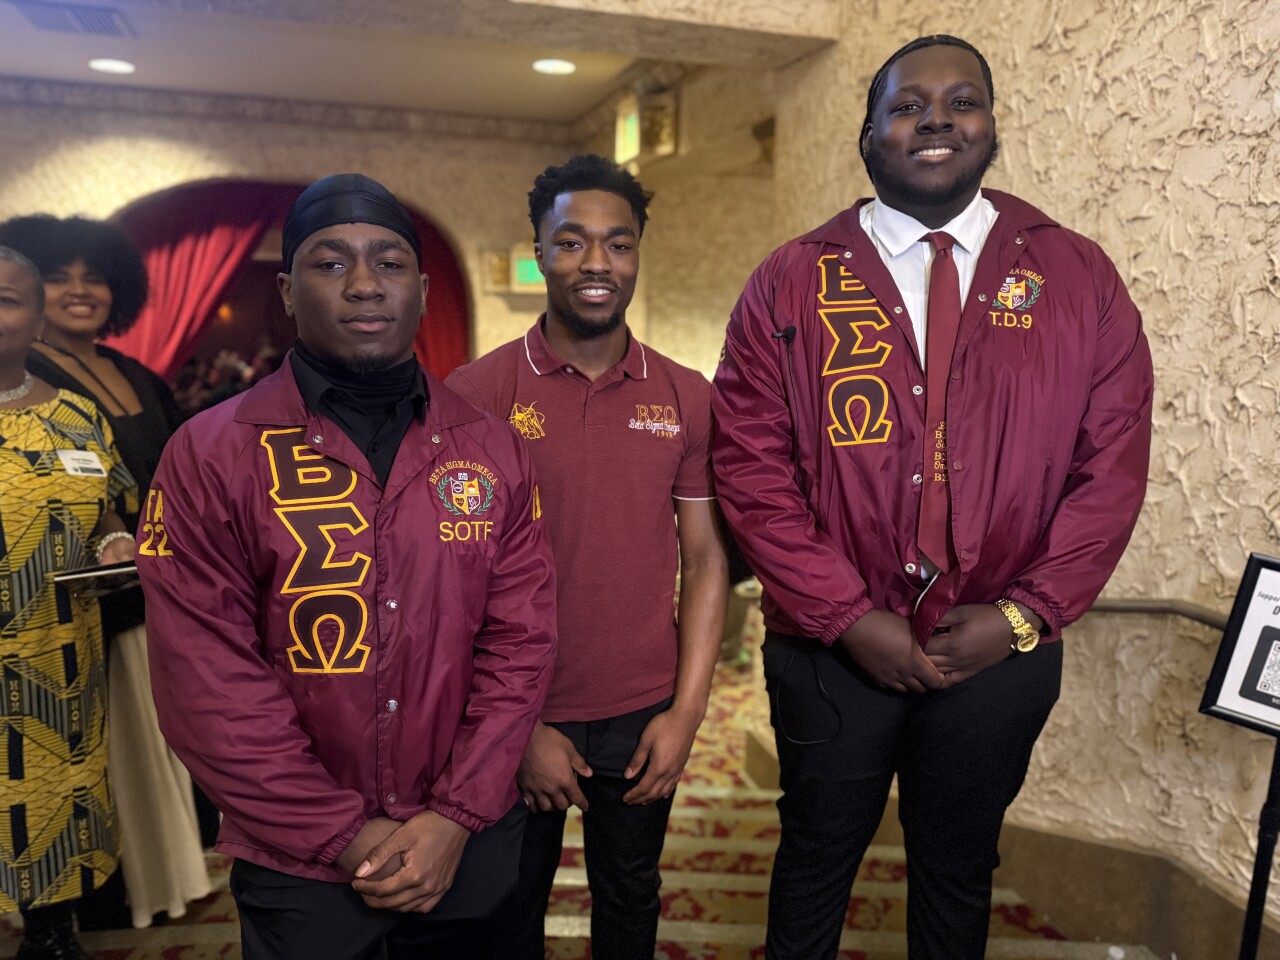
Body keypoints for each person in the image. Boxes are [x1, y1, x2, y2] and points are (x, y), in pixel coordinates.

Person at [711, 36, 1154, 960]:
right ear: (868, 135)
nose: (938, 119)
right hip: (831, 648)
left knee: (958, 869)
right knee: (814, 858)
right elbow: (751, 467)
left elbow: (1109, 466)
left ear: (991, 129)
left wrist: (1026, 615)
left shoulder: (1077, 277)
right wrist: (842, 615)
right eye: (909, 105)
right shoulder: (792, 279)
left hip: (998, 650)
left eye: (963, 101)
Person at [136, 173, 557, 960]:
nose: (365, 285)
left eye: (389, 263)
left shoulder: (492, 448)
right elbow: (208, 682)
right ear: (289, 291)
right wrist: (343, 832)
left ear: (424, 290)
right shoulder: (211, 453)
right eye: (332, 264)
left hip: (470, 845)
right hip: (300, 862)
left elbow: (520, 644)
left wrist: (453, 817)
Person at [446, 154, 729, 960]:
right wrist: (519, 724)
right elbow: (451, 583)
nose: (597, 263)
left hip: (642, 711)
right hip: (512, 708)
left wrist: (687, 713)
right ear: (537, 251)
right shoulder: (475, 394)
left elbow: (706, 561)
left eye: (619, 243)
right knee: (501, 910)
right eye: (571, 243)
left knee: (632, 901)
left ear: (638, 254)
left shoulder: (685, 395)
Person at [0, 214, 210, 929]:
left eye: (95, 276)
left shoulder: (131, 373)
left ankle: (147, 885)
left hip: (144, 594)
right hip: (60, 612)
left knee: (137, 755)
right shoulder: (32, 379)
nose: (79, 290)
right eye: (59, 276)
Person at [0, 246, 137, 960]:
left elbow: (110, 509)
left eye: (7, 300)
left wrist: (115, 545)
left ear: (36, 318)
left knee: (55, 810)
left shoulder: (78, 417)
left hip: (58, 665)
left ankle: (51, 936)